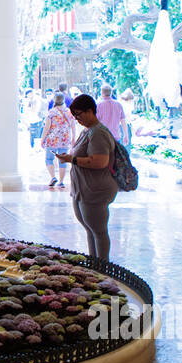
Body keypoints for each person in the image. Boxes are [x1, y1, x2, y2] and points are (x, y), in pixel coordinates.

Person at [57, 94, 119, 264]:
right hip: (83, 189)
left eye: (79, 114)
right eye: (74, 115)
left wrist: (72, 159)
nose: (77, 119)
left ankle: (102, 266)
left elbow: (100, 162)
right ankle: (94, 264)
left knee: (98, 231)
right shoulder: (88, 131)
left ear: (90, 111)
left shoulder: (98, 133)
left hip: (96, 189)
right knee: (90, 229)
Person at [41, 93, 72, 188]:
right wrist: (73, 137)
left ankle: (53, 177)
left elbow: (47, 127)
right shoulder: (68, 111)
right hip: (64, 139)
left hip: (52, 140)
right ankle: (61, 182)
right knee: (62, 160)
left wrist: (42, 139)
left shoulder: (51, 112)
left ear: (55, 100)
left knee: (49, 159)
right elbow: (72, 125)